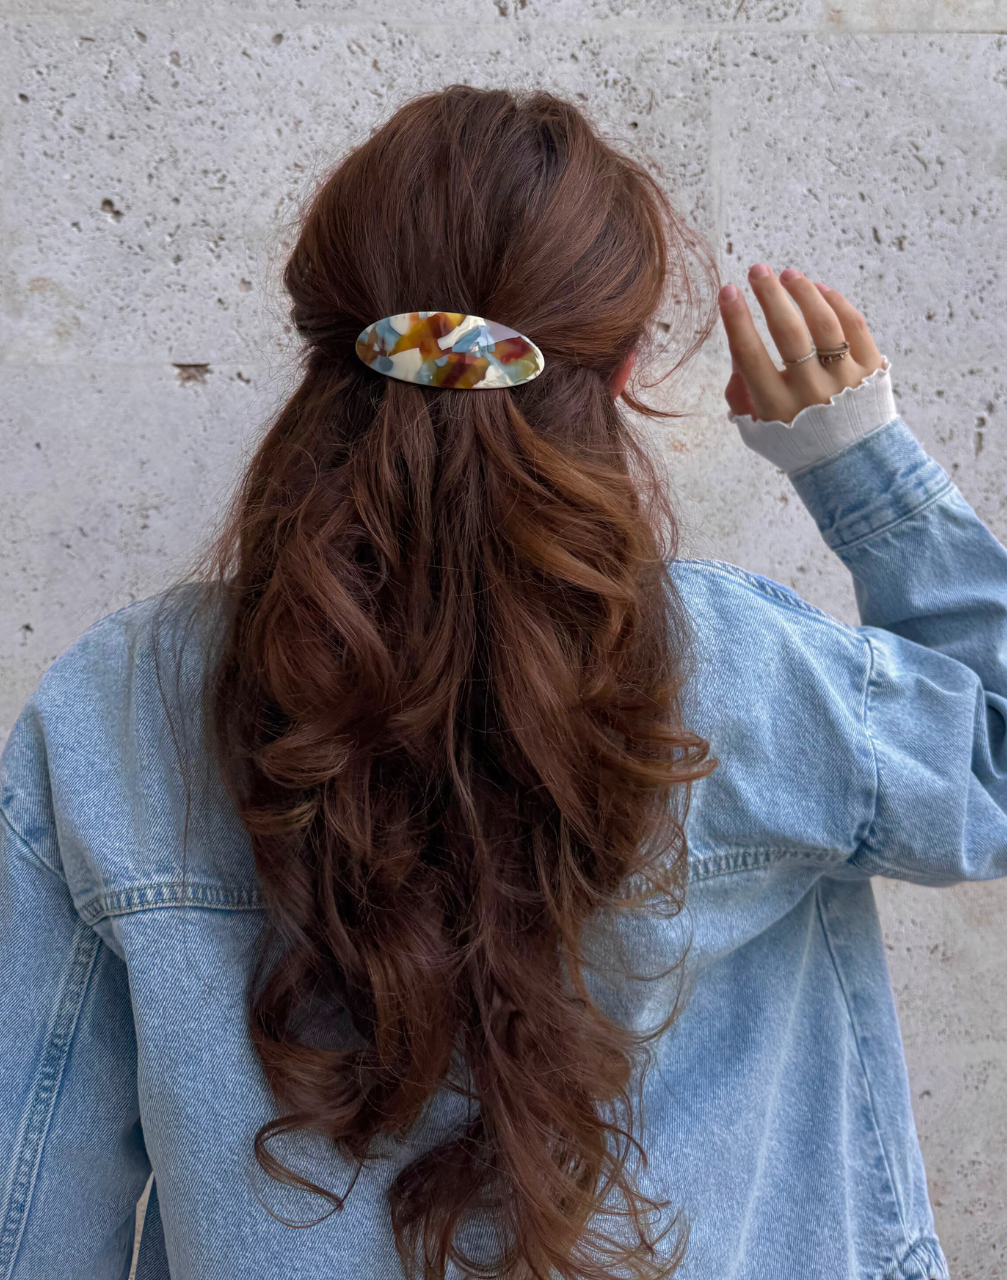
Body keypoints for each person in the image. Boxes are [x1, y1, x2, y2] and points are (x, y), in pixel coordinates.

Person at [0, 84, 1003, 1280]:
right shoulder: (745, 674)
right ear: (624, 368)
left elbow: (33, 1195)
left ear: (326, 342)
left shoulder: (113, 709)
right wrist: (861, 468)